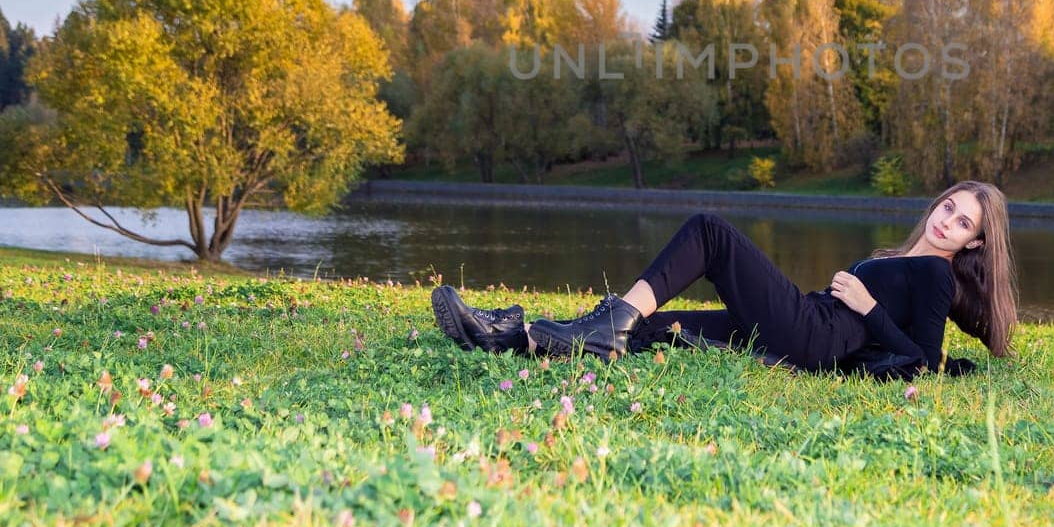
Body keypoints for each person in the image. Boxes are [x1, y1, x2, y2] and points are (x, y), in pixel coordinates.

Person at [431, 180, 1019, 379]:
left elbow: (920, 359)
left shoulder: (935, 275)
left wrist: (866, 306)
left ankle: (607, 322)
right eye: (949, 207)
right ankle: (513, 336)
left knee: (711, 232)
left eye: (964, 223)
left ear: (974, 241)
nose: (948, 222)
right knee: (659, 327)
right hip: (804, 328)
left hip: (812, 335)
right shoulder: (899, 256)